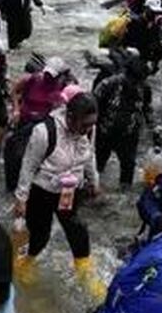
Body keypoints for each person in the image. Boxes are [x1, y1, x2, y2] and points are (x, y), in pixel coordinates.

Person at [12, 91, 103, 297]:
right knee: (40, 235)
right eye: (84, 124)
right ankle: (25, 263)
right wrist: (21, 199)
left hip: (70, 191)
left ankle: (85, 275)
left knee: (78, 231)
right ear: (70, 117)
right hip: (42, 191)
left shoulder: (89, 130)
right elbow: (28, 166)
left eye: (91, 124)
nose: (88, 129)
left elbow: (90, 155)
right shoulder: (44, 132)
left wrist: (94, 180)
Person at [3, 57, 72, 192]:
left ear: (60, 76)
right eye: (46, 74)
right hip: (25, 121)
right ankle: (12, 186)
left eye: (51, 76)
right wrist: (16, 109)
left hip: (45, 126)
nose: (47, 77)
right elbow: (14, 91)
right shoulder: (31, 79)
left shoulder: (64, 88)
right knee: (14, 151)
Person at [92, 52, 159, 188]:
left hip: (129, 134)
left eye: (141, 81)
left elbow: (147, 110)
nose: (137, 84)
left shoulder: (144, 88)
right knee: (97, 166)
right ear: (127, 74)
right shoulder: (109, 84)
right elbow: (92, 107)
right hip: (105, 132)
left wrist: (155, 131)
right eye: (135, 80)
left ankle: (124, 196)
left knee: (128, 167)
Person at [123, 0, 162, 71]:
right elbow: (125, 40)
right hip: (128, 50)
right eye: (153, 12)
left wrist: (153, 61)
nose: (155, 14)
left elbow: (154, 43)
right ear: (145, 9)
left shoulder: (155, 26)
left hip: (142, 52)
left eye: (157, 12)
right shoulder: (134, 22)